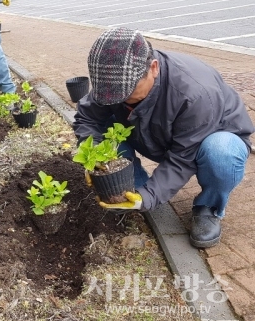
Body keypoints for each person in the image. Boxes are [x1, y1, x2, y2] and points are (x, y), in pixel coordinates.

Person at [73, 27, 254, 248]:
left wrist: (150, 195)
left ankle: (208, 208)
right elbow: (87, 119)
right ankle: (132, 188)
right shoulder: (112, 80)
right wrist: (93, 157)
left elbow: (182, 158)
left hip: (210, 139)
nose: (120, 100)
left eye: (128, 92)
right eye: (113, 95)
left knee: (221, 151)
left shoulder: (195, 93)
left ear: (154, 68)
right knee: (105, 130)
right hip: (158, 136)